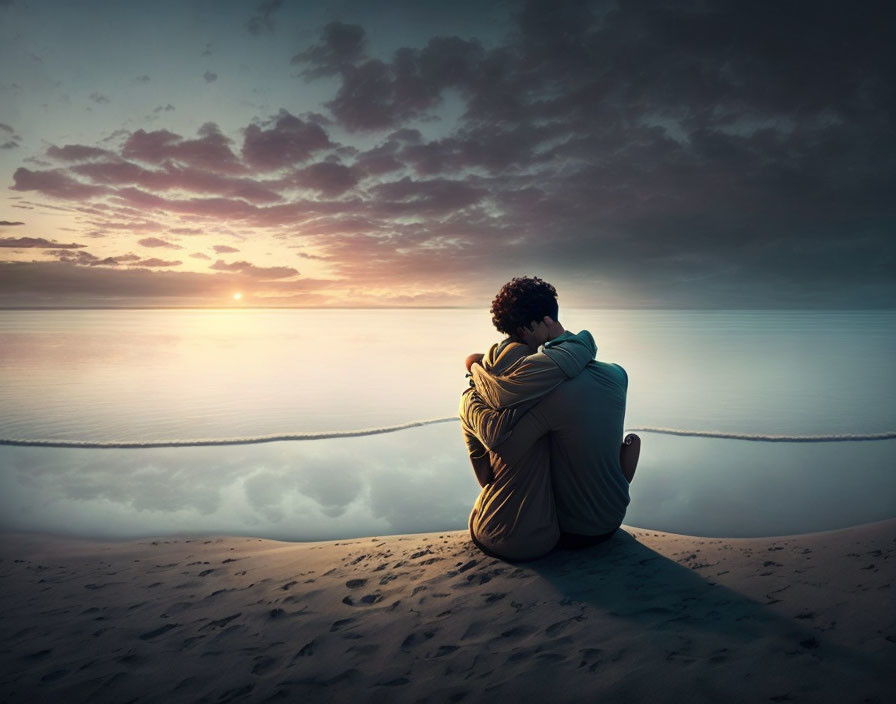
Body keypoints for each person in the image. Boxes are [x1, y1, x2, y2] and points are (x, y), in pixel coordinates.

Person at [460, 276, 640, 561]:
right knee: (624, 440)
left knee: (546, 445)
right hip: (615, 513)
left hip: (574, 531)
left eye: (522, 330)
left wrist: (471, 397)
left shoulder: (549, 393)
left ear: (538, 324)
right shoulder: (618, 373)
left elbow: (505, 448)